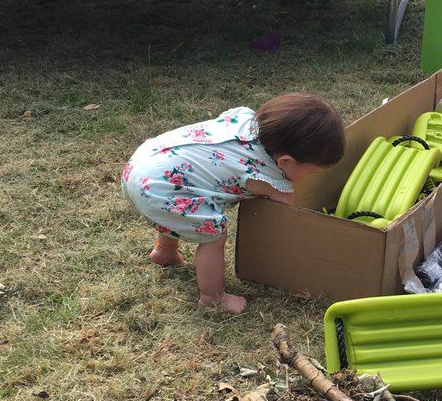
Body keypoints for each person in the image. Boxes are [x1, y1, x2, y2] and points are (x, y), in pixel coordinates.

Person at [121, 94, 345, 312]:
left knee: (185, 202)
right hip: (159, 187)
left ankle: (165, 251)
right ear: (285, 161)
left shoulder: (245, 119)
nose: (309, 177)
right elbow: (289, 216)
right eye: (311, 172)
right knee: (214, 234)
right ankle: (212, 298)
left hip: (144, 165)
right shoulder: (265, 177)